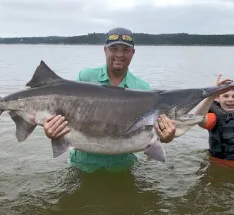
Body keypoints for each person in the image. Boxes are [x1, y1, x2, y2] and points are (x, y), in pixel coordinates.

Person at [43, 27, 177, 173]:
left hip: (123, 167)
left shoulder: (142, 88)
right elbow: (65, 117)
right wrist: (52, 131)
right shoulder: (85, 78)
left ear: (133, 53)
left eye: (125, 50)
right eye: (114, 48)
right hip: (82, 164)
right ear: (105, 50)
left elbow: (152, 133)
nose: (119, 54)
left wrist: (166, 137)